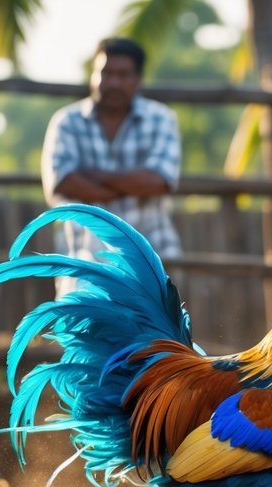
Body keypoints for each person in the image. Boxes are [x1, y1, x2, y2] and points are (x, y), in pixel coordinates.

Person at [42, 37, 181, 298]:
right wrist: (131, 185)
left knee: (153, 338)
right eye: (106, 73)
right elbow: (61, 182)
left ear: (137, 79)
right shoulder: (66, 121)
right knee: (85, 336)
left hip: (153, 257)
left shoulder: (161, 118)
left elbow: (159, 181)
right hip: (83, 258)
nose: (113, 82)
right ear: (93, 75)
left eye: (123, 74)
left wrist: (93, 176)